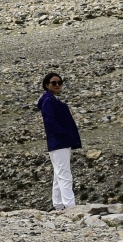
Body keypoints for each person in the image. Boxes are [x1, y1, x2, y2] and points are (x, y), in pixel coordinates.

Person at [39, 72, 82, 210]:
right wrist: (64, 134)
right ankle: (70, 207)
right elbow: (50, 121)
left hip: (59, 141)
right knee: (64, 174)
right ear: (47, 85)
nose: (57, 85)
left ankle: (58, 205)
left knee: (59, 174)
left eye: (59, 82)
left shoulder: (51, 100)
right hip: (59, 141)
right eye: (54, 83)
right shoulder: (48, 101)